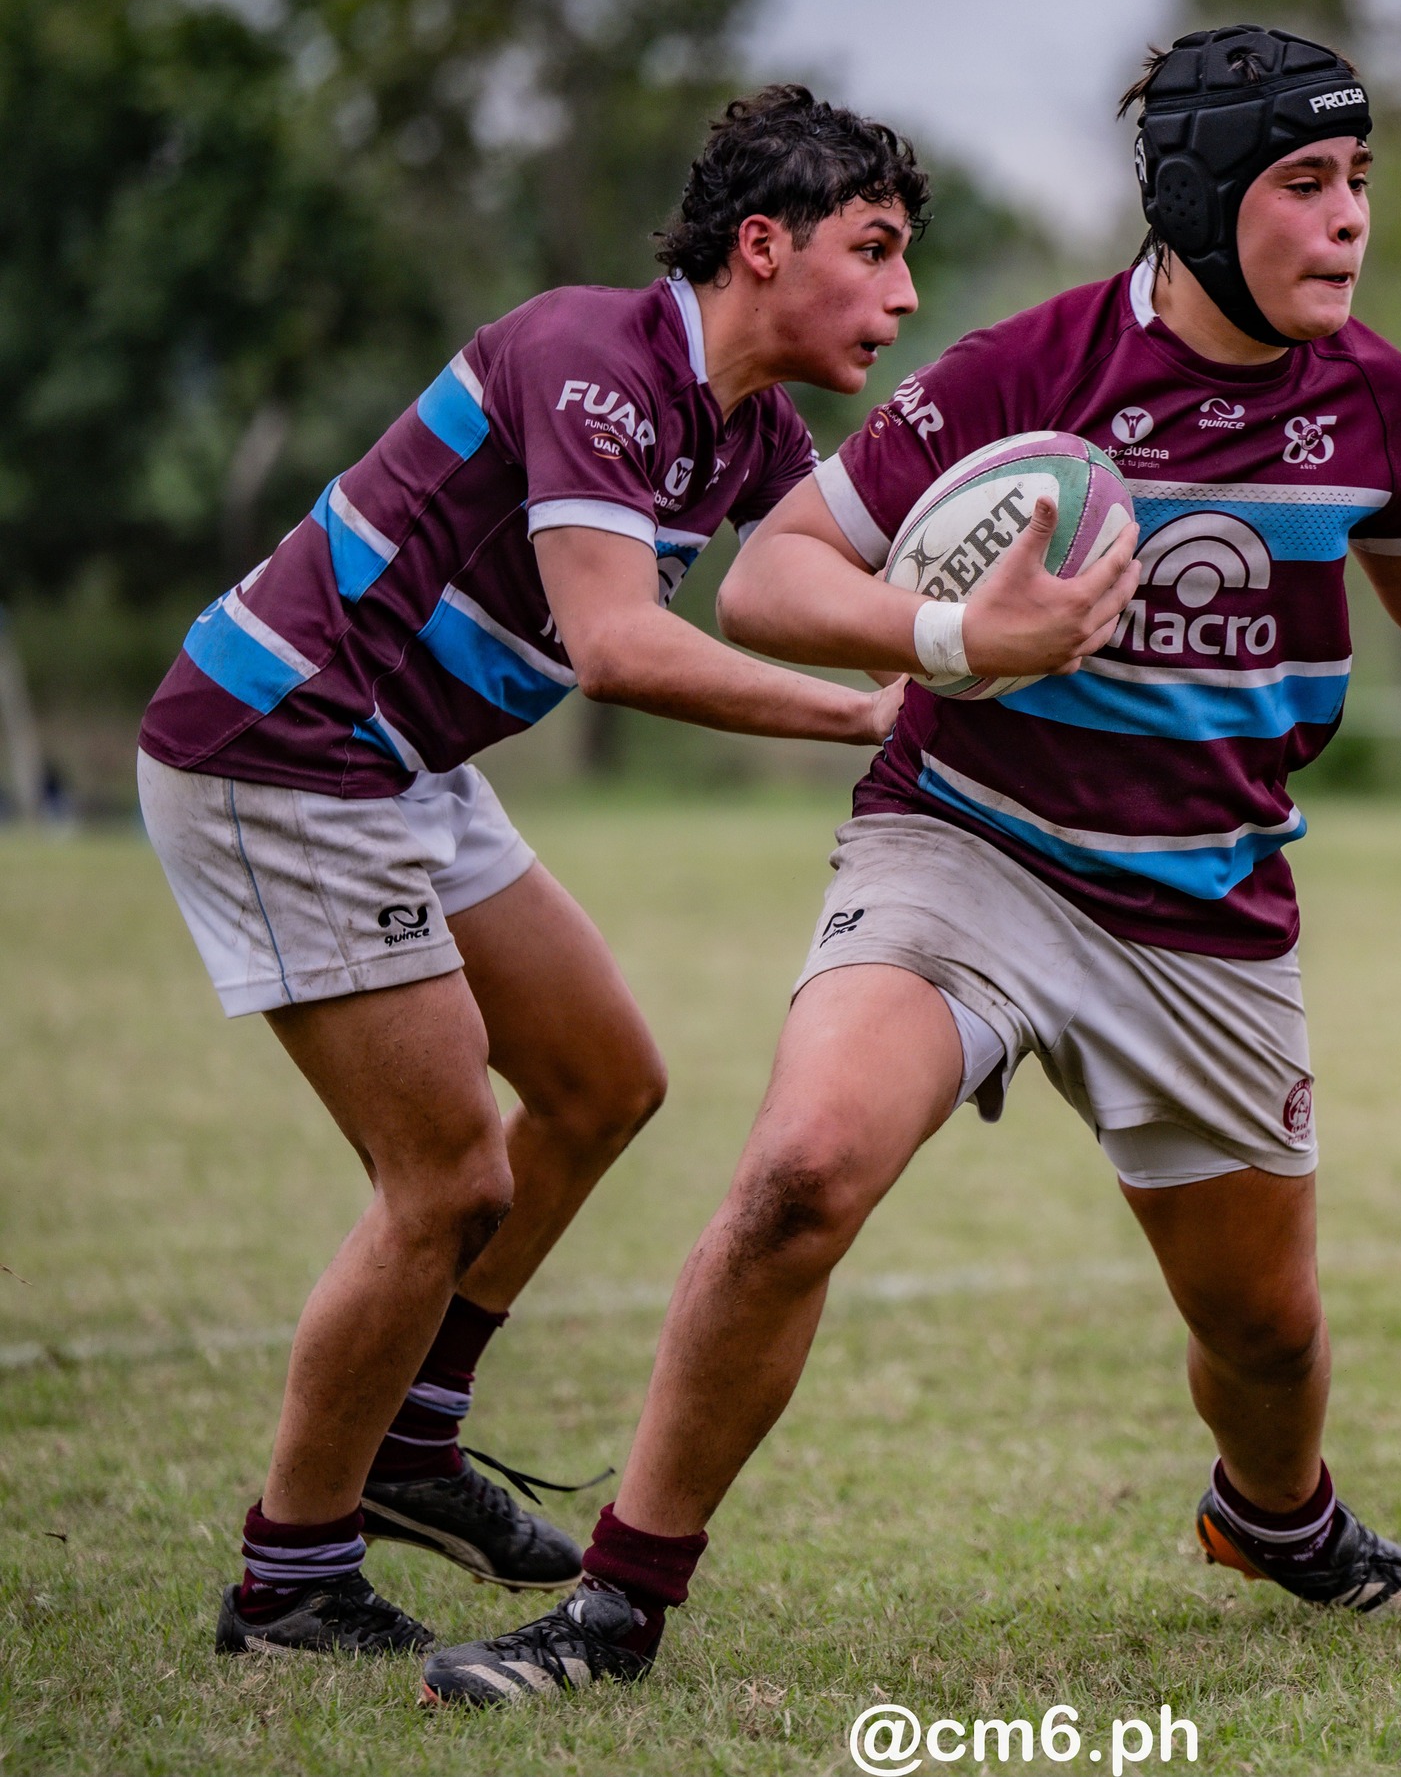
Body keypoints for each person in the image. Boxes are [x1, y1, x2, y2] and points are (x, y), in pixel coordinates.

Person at [420, 25, 1401, 1705]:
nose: (1348, 221)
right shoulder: (1025, 375)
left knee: (1266, 1336)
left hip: (1206, 909)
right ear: (1209, 200)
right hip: (969, 849)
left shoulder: (1365, 397)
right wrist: (955, 631)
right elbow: (769, 579)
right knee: (799, 1176)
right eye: (1306, 184)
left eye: (1359, 182)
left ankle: (1275, 1516)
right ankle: (616, 1606)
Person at [135, 85, 923, 1656]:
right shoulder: (593, 358)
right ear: (762, 246)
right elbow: (622, 646)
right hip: (279, 744)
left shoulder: (750, 428)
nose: (903, 295)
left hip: (398, 760)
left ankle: (413, 1439)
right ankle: (287, 1580)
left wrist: (1000, 620)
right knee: (448, 1180)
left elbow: (858, 584)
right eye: (876, 249)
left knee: (601, 1082)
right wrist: (873, 711)